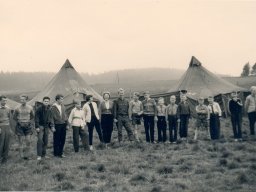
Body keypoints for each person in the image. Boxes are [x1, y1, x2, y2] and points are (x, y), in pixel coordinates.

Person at [13, 94, 34, 160]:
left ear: (26, 100)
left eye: (23, 99)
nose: (22, 101)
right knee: (21, 142)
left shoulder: (30, 107)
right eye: (21, 99)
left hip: (28, 126)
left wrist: (27, 121)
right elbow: (14, 117)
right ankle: (21, 157)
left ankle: (28, 156)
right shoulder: (17, 108)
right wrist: (20, 122)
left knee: (28, 141)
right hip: (20, 126)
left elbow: (32, 116)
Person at [35, 96, 52, 161]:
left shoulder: (49, 109)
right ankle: (39, 155)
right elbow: (36, 118)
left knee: (46, 141)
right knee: (40, 140)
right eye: (45, 101)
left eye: (47, 101)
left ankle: (44, 155)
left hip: (46, 127)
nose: (46, 102)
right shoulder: (39, 109)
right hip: (40, 126)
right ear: (43, 102)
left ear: (49, 102)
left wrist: (51, 126)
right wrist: (37, 127)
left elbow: (50, 119)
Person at [0, 95, 12, 164]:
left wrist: (10, 129)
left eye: (5, 100)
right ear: (0, 100)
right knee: (1, 143)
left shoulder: (8, 109)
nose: (5, 102)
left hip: (7, 126)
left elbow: (10, 119)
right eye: (3, 100)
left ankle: (5, 158)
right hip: (1, 127)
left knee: (6, 143)